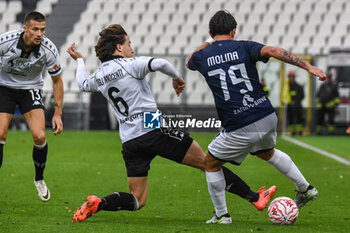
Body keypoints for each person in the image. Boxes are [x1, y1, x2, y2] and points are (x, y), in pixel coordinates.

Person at [67, 24, 275, 224]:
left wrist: (80, 61)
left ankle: (99, 203)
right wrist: (177, 78)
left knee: (138, 199)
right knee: (208, 162)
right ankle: (255, 198)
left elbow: (82, 84)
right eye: (129, 43)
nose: (132, 48)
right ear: (119, 47)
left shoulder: (100, 76)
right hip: (152, 127)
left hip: (129, 140)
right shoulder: (130, 65)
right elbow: (161, 64)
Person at [186, 10, 326, 222]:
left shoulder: (202, 55)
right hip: (266, 114)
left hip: (240, 122)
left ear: (210, 32)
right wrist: (307, 66)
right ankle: (305, 188)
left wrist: (208, 42)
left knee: (211, 163)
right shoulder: (244, 46)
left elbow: (189, 60)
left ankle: (222, 215)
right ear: (234, 31)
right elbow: (272, 50)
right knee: (266, 152)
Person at [0, 11, 63, 202]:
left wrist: (58, 113)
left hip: (30, 89)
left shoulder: (48, 49)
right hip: (4, 87)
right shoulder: (5, 41)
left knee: (40, 135)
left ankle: (39, 178)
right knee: (0, 133)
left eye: (42, 30)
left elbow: (57, 81)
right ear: (25, 28)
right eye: (35, 29)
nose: (39, 34)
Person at [286, 70, 305, 135]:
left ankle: (300, 132)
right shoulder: (286, 87)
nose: (291, 78)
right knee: (290, 119)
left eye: (292, 76)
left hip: (298, 106)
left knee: (299, 119)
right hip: (290, 106)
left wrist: (296, 102)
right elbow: (284, 95)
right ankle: (293, 132)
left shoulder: (299, 87)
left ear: (294, 77)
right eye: (290, 76)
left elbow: (302, 96)